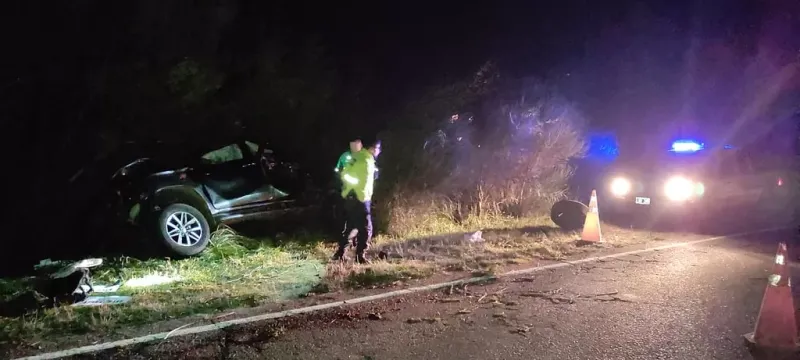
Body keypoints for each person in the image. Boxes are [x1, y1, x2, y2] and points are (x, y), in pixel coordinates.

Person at [333, 140, 381, 264]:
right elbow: (361, 178)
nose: (379, 151)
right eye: (378, 148)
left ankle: (340, 253)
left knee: (352, 227)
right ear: (373, 148)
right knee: (366, 228)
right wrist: (356, 189)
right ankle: (360, 256)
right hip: (360, 197)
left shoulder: (357, 157)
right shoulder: (366, 159)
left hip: (351, 197)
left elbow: (345, 173)